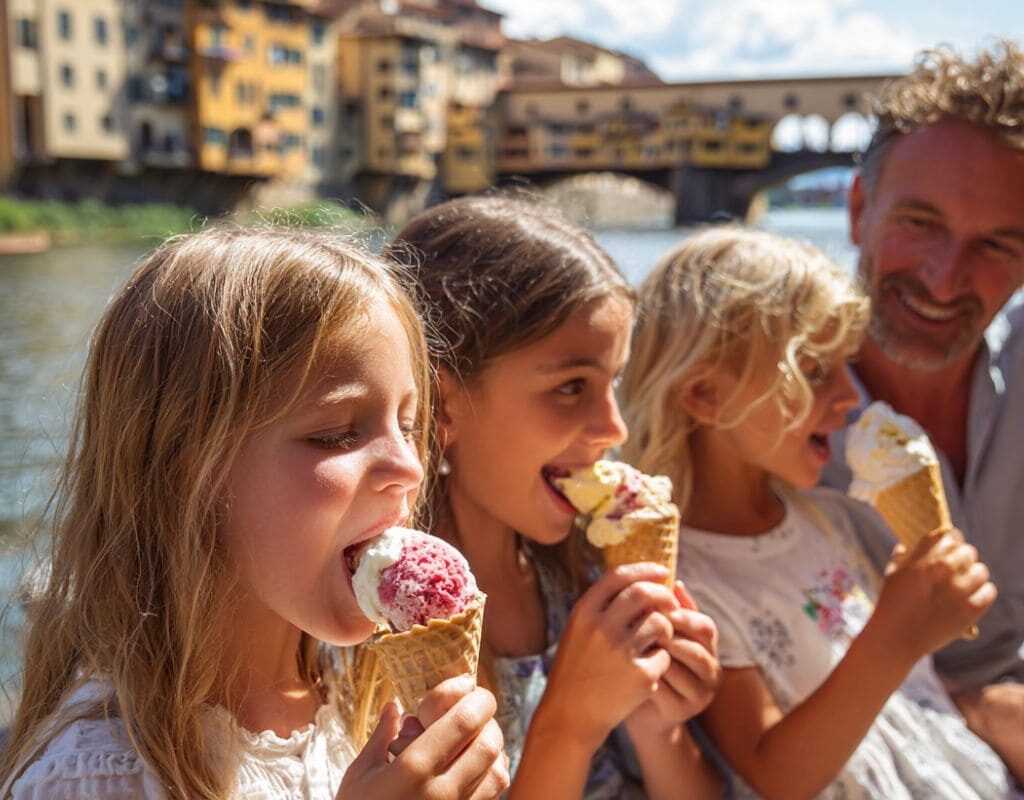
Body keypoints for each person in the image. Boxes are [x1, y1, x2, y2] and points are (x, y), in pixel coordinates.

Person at [0, 227, 509, 799]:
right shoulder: (98, 774)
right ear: (182, 470)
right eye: (337, 435)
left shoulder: (355, 702)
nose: (410, 467)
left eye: (409, 427)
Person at [619, 226, 1017, 798]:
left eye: (844, 366)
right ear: (704, 395)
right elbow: (775, 775)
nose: (851, 397)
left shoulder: (826, 517)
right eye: (814, 372)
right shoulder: (686, 581)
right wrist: (898, 636)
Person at [385, 194, 723, 800]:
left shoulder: (578, 578)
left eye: (612, 384)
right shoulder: (385, 639)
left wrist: (657, 726)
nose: (615, 427)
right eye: (572, 387)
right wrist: (570, 723)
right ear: (444, 404)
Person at [820, 40, 1024, 777]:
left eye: (997, 243)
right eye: (921, 223)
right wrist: (979, 709)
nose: (944, 281)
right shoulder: (751, 404)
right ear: (857, 209)